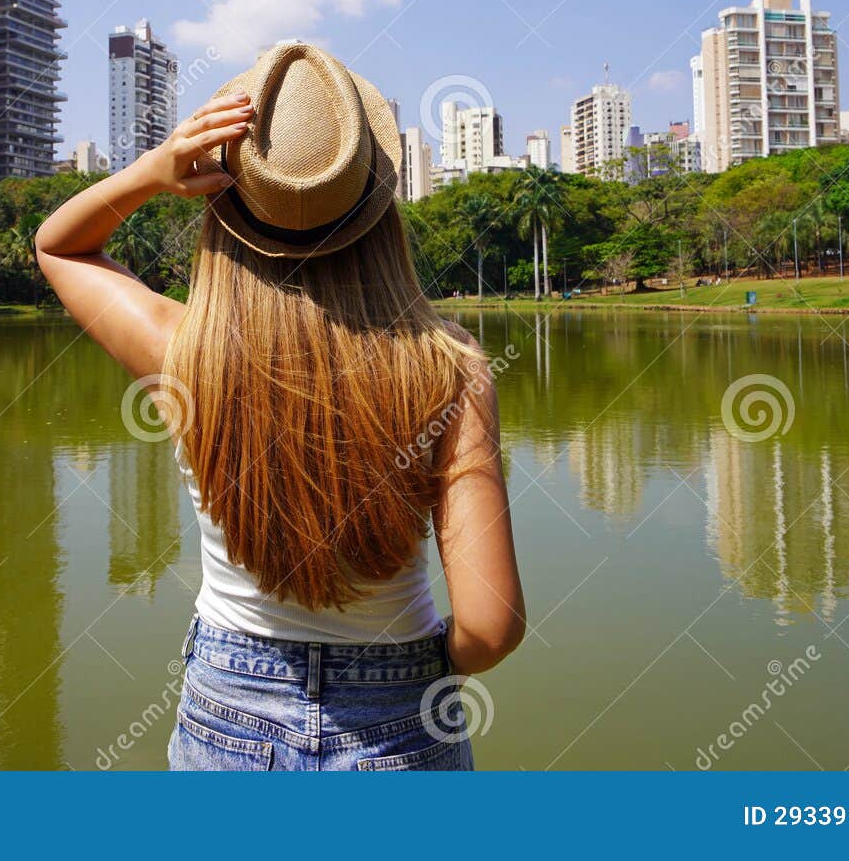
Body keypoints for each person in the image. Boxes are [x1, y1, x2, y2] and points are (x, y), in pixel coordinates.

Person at [36, 42, 525, 771]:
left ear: (225, 209)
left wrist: (153, 172)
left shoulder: (183, 351)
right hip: (402, 715)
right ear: (379, 207)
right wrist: (408, 672)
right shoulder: (449, 366)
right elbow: (490, 628)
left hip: (228, 706)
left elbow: (60, 248)